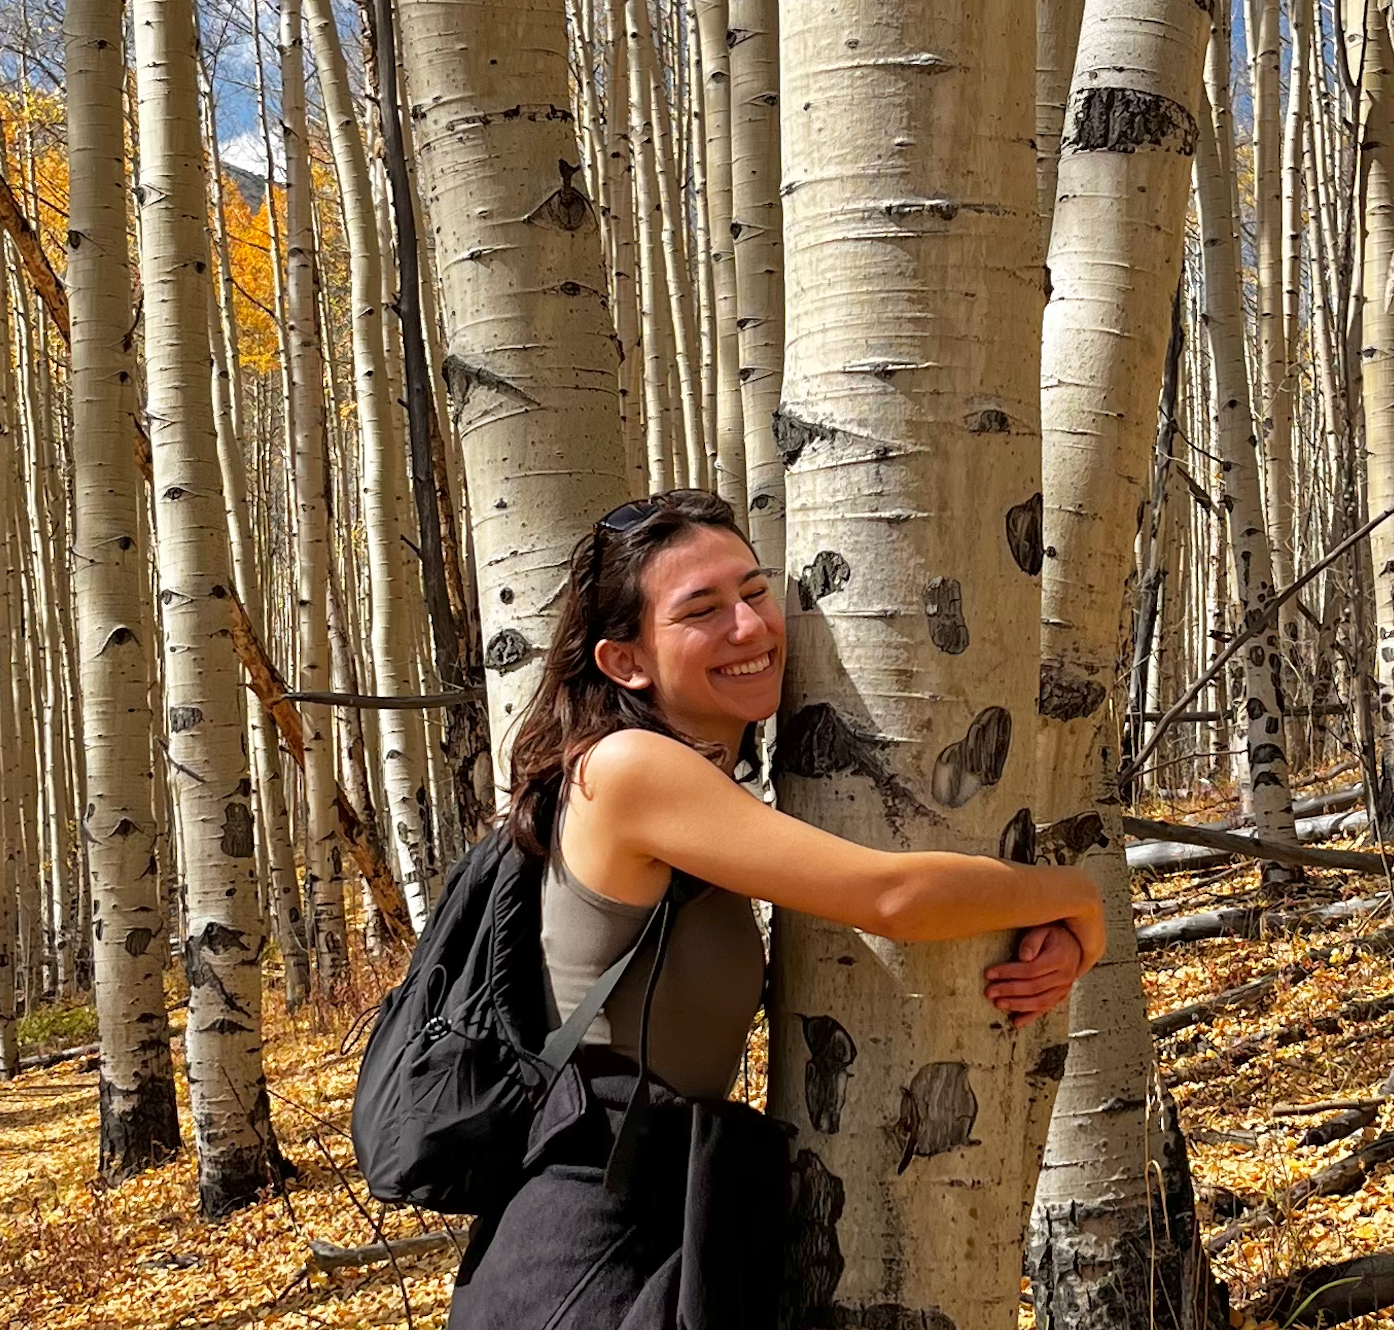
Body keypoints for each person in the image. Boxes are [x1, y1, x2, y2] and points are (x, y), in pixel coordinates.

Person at [447, 488, 1104, 1330]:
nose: (750, 627)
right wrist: (1076, 896)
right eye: (701, 611)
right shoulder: (629, 770)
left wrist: (1029, 934)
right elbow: (893, 896)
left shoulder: (700, 788)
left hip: (659, 1209)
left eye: (756, 592)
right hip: (586, 1244)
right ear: (625, 661)